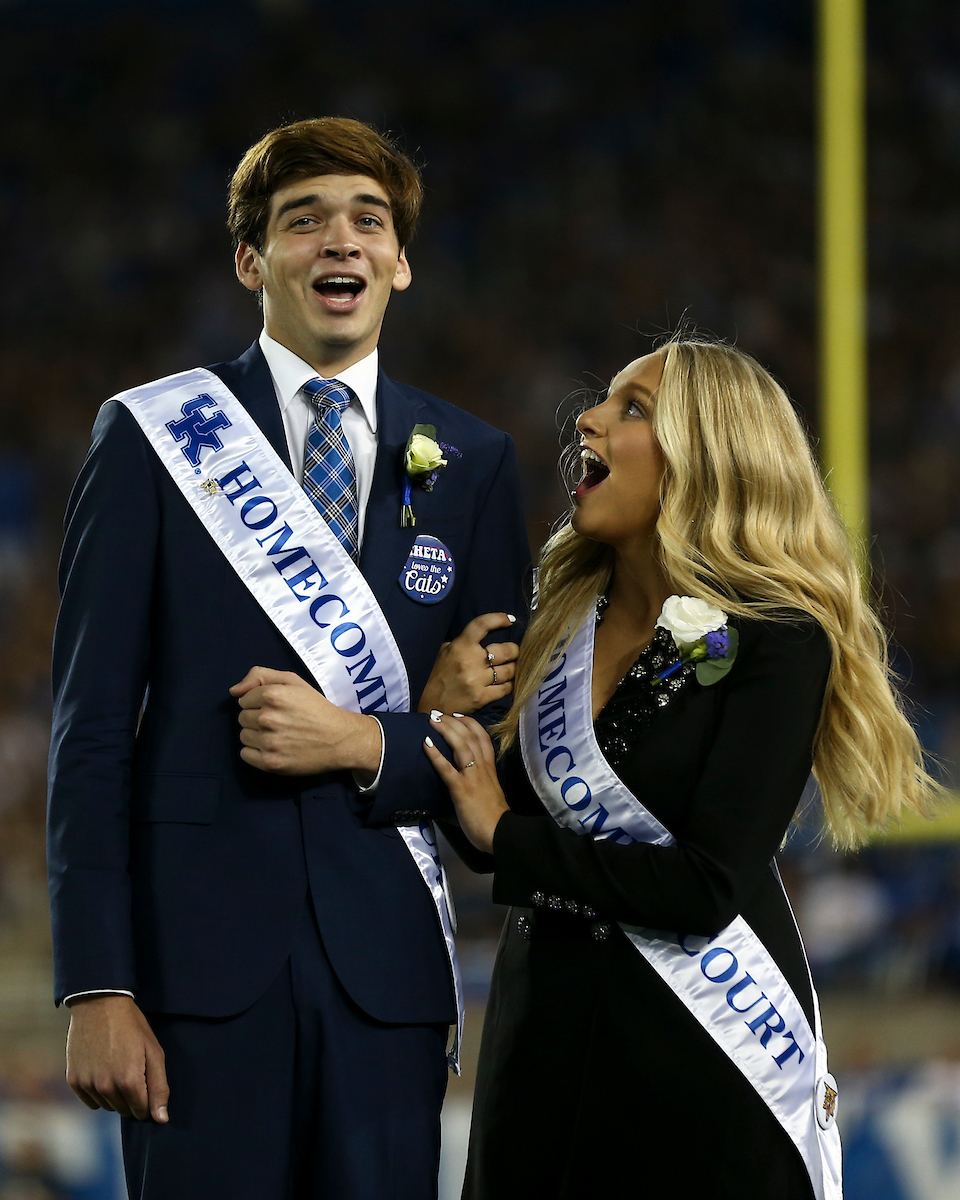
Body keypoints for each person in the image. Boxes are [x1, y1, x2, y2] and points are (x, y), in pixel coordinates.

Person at [47, 117, 529, 1200]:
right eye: (303, 220)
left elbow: (496, 762)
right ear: (251, 262)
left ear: (401, 263)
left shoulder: (475, 463)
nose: (340, 242)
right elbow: (88, 734)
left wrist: (368, 742)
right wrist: (96, 986)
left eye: (369, 220)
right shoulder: (152, 437)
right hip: (193, 983)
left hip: (389, 980)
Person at [425, 338, 944, 1200]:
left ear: (709, 456)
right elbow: (486, 833)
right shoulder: (564, 618)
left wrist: (505, 835)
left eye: (633, 409)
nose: (586, 418)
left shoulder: (776, 639)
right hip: (539, 1050)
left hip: (700, 1058)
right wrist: (442, 717)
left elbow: (707, 884)